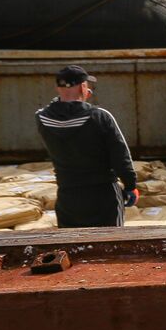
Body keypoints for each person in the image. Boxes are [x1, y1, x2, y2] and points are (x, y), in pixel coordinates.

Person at [36, 64, 139, 228]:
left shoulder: (42, 119)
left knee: (72, 246)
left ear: (57, 88)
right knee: (111, 246)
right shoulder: (100, 116)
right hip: (103, 195)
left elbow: (57, 110)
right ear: (83, 87)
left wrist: (70, 100)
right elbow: (121, 157)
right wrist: (130, 186)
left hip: (67, 195)